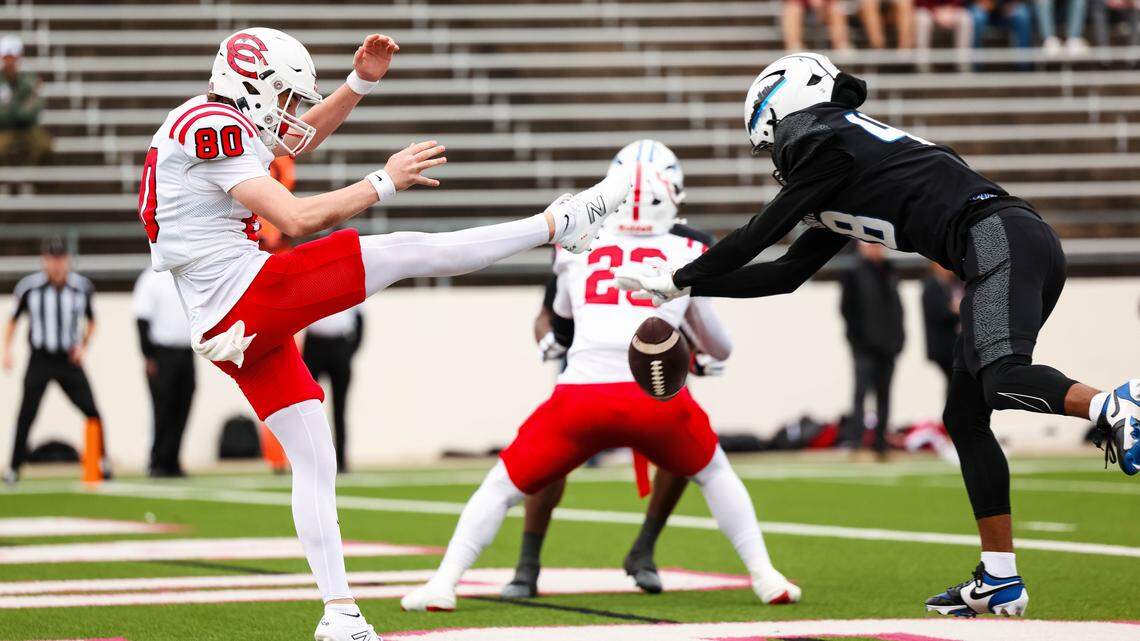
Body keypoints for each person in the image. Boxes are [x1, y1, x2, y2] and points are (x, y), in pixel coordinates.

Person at [136, 27, 629, 641]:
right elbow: (294, 216)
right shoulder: (210, 125)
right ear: (250, 85)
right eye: (282, 96)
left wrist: (359, 83)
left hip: (224, 319)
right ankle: (557, 222)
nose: (289, 111)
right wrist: (384, 179)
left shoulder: (212, 120)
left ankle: (339, 612)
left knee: (315, 456)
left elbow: (294, 138)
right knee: (404, 250)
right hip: (246, 294)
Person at [615, 52, 1139, 619]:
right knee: (964, 416)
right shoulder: (842, 163)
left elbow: (757, 234)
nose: (775, 158)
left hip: (997, 238)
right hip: (1007, 242)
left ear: (785, 111)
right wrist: (688, 291)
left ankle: (1115, 404)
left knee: (999, 378)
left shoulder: (827, 144)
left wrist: (679, 275)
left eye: (770, 143)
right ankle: (1000, 579)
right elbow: (784, 274)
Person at [400, 150, 800, 615]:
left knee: (499, 487)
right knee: (714, 473)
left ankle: (444, 582)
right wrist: (694, 353)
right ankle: (764, 575)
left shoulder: (578, 246)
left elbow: (564, 320)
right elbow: (721, 346)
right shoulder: (690, 248)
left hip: (581, 398)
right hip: (654, 402)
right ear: (671, 198)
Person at [503, 140, 723, 599]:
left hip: (652, 364)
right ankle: (527, 562)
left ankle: (644, 548)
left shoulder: (688, 242)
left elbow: (697, 317)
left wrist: (696, 356)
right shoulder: (586, 233)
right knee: (548, 462)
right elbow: (549, 311)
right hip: (589, 363)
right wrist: (545, 335)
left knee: (680, 450)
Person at [2, 238, 106, 484]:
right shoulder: (29, 288)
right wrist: (6, 350)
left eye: (60, 258)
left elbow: (92, 321)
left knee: (91, 410)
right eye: (52, 258)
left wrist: (83, 346)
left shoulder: (81, 288)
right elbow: (12, 320)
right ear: (44, 260)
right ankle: (14, 467)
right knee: (26, 413)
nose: (56, 264)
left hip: (68, 359)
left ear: (67, 260)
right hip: (40, 359)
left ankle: (102, 460)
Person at [839, 241, 904, 457]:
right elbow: (847, 310)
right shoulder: (854, 273)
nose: (875, 249)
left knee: (884, 395)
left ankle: (880, 442)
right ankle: (856, 441)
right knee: (861, 393)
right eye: (870, 245)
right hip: (864, 348)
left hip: (888, 346)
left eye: (878, 245)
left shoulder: (890, 272)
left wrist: (898, 339)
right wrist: (858, 340)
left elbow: (897, 309)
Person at [133, 268, 195, 478]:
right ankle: (157, 460)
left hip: (187, 352)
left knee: (183, 407)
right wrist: (148, 356)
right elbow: (141, 320)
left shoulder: (188, 273)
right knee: (162, 407)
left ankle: (173, 459)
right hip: (162, 354)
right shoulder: (150, 279)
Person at [302, 306, 363, 473]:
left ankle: (341, 462)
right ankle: (308, 460)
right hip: (314, 346)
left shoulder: (350, 284)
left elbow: (360, 319)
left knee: (340, 409)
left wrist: (349, 352)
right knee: (306, 407)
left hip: (340, 346)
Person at [0, 35, 50, 166]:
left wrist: (10, 108)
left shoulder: (30, 80)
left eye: (13, 57)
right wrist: (22, 105)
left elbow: (32, 111)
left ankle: (29, 178)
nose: (10, 61)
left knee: (45, 145)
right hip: (3, 130)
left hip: (27, 129)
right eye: (7, 57)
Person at [922, 262, 963, 385]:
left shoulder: (949, 284)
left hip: (950, 345)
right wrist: (956, 311)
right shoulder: (931, 287)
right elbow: (939, 313)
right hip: (942, 347)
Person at [914, 0, 974, 72]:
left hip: (951, 9)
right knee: (922, 20)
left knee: (965, 19)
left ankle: (963, 67)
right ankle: (923, 68)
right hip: (926, 9)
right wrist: (934, 10)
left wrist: (951, 8)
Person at [783, 0, 854, 52]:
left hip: (826, 7)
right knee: (792, 9)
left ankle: (841, 45)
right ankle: (794, 47)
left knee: (836, 9)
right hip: (799, 5)